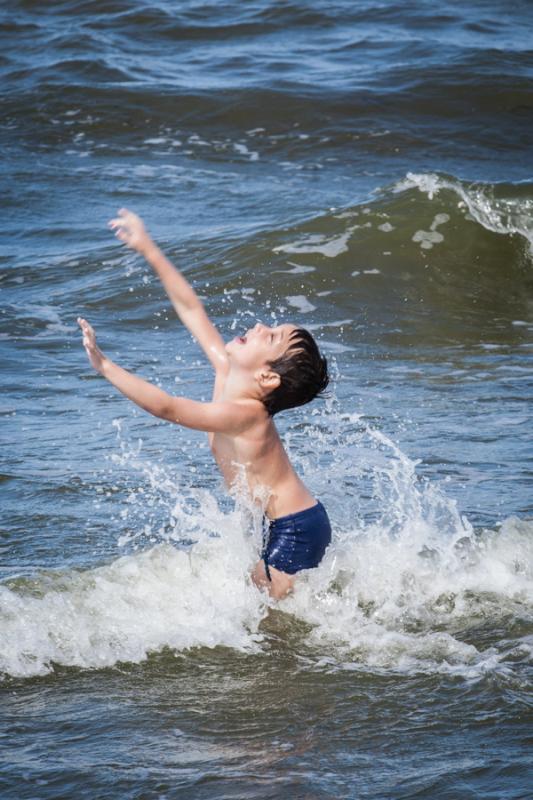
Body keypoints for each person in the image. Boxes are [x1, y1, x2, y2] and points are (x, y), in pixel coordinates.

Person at [78, 209, 331, 599]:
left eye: (271, 336)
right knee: (260, 606)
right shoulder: (227, 373)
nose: (261, 326)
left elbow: (165, 407)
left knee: (266, 613)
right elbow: (191, 309)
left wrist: (105, 365)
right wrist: (148, 248)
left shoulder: (246, 414)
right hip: (276, 521)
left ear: (267, 378)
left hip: (295, 527)